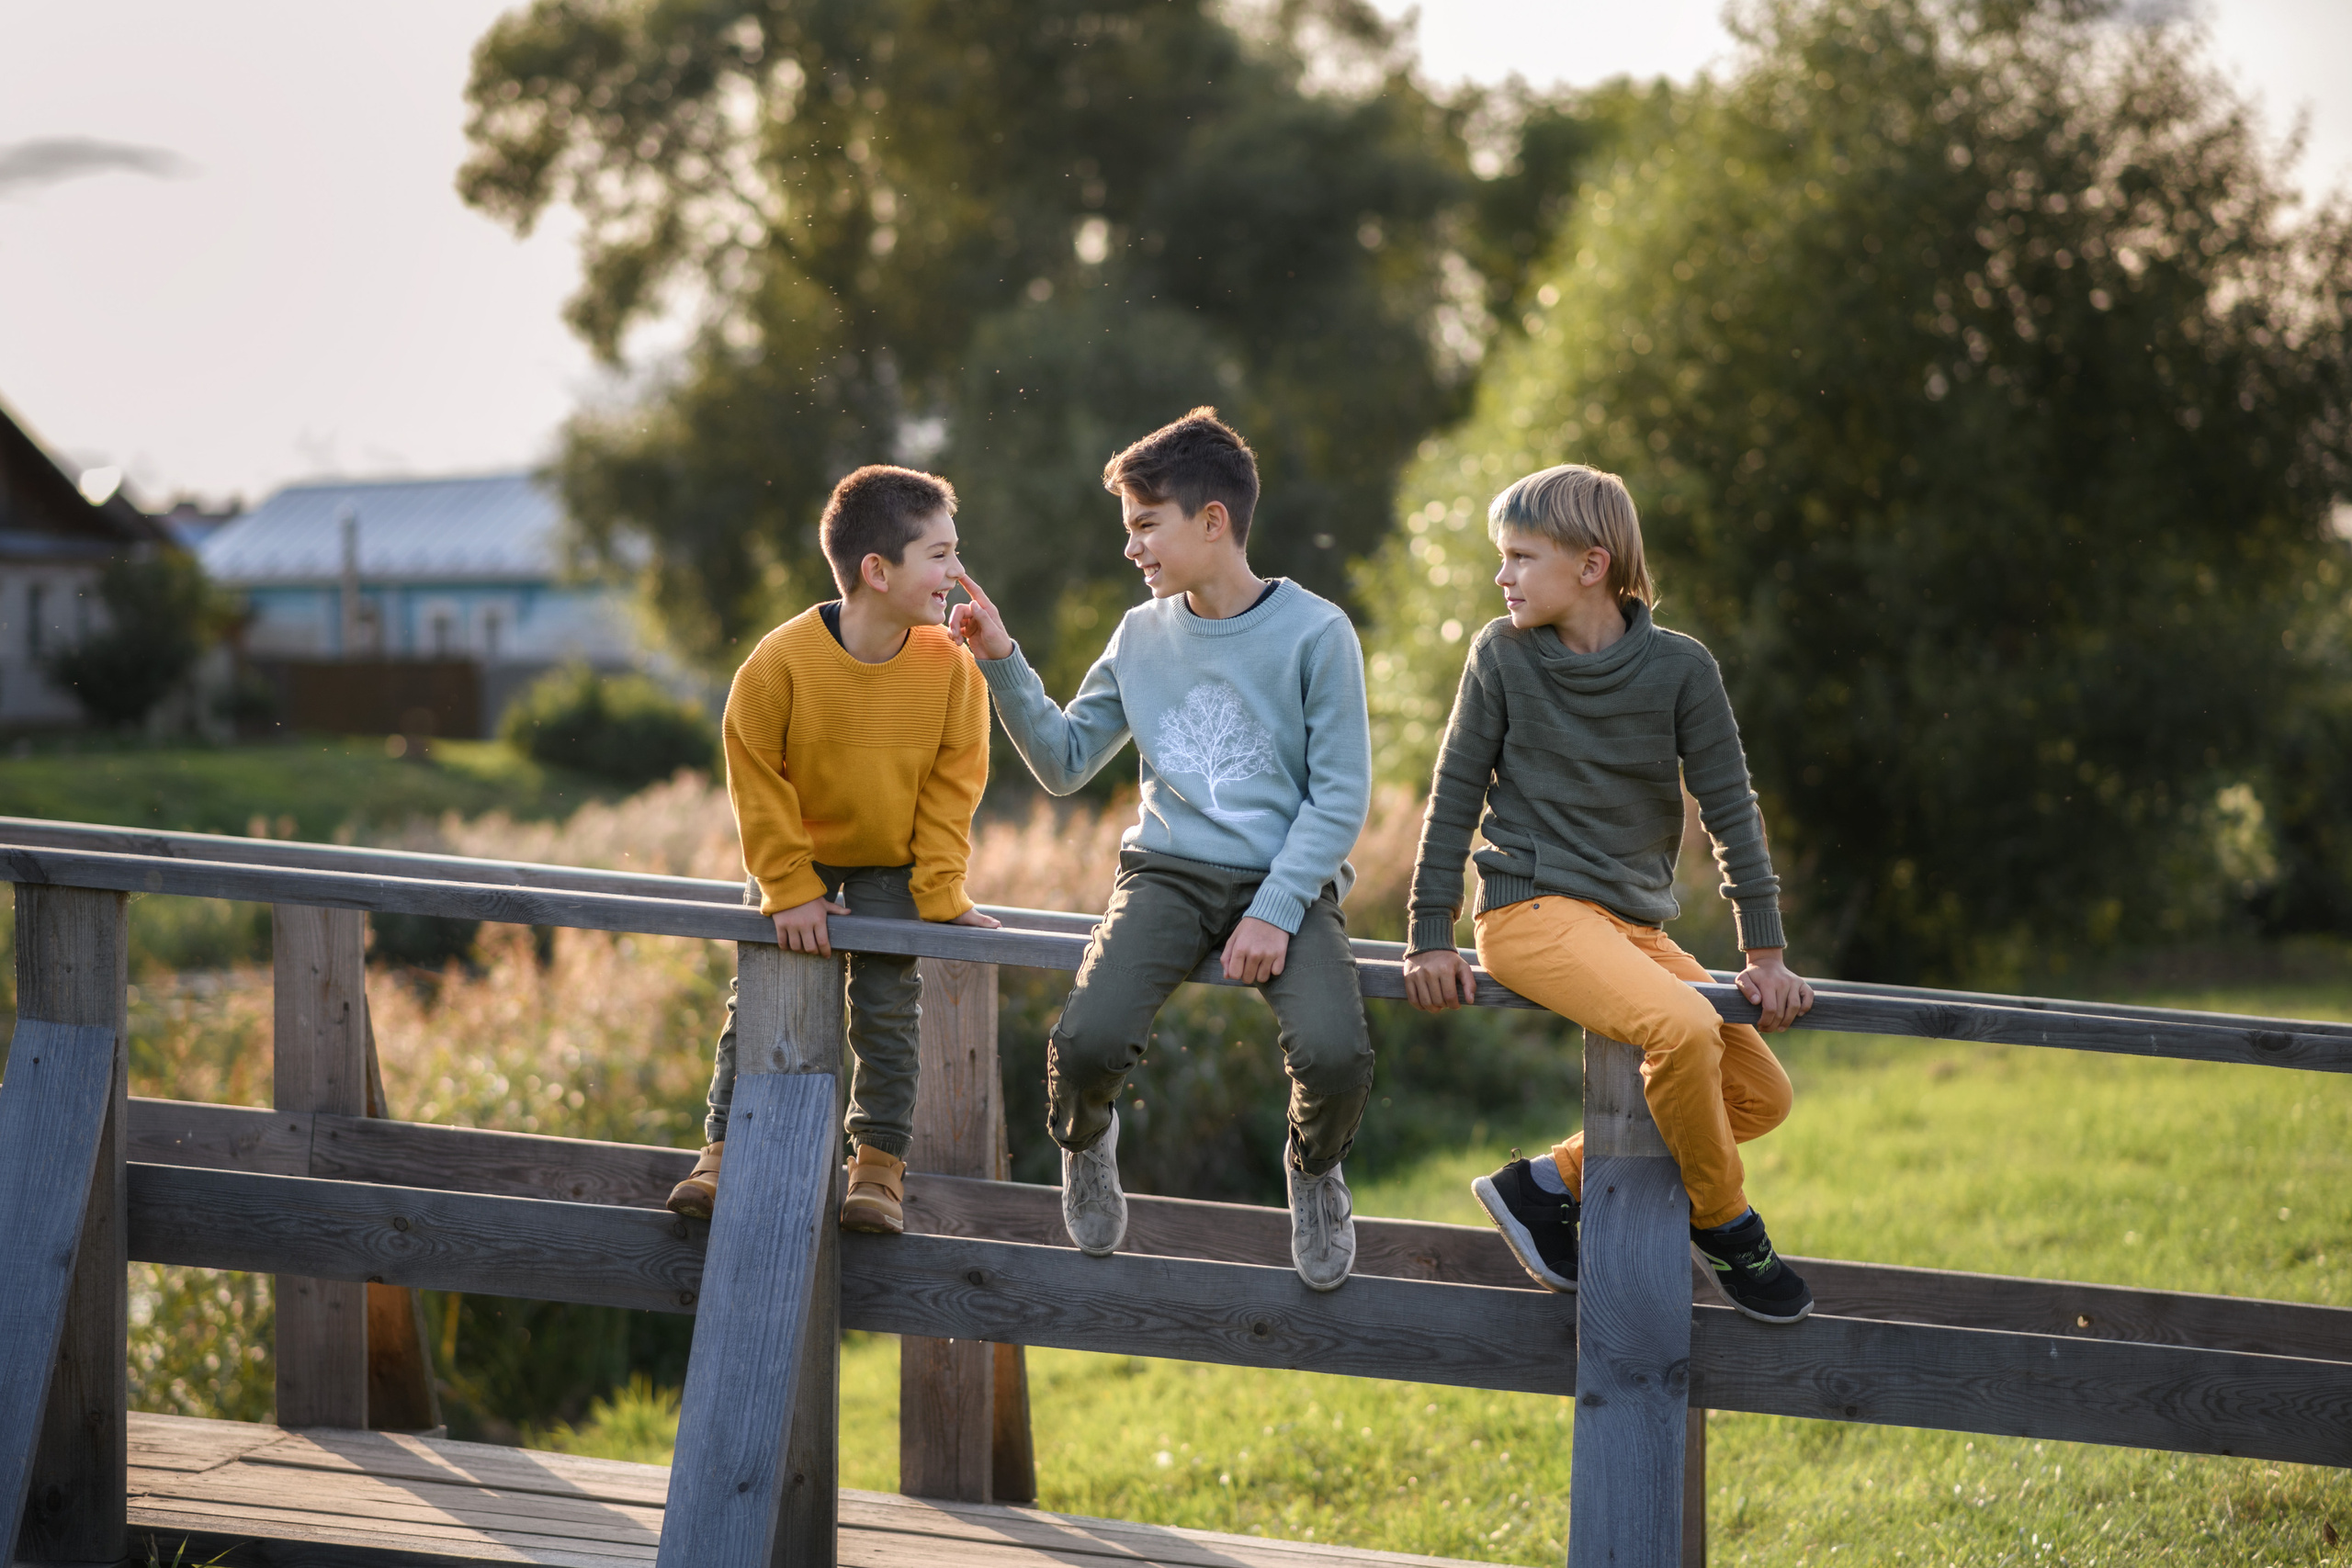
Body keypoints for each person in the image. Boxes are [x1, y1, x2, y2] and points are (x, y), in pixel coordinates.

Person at [948, 408, 1374, 1292]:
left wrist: (1274, 909)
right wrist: (1001, 657)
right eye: (1129, 527)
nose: (1131, 547)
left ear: (1212, 520)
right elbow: (1065, 760)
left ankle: (1314, 1168)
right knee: (1087, 1044)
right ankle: (1086, 1140)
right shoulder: (1140, 634)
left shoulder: (1317, 632)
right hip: (1167, 873)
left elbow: (1339, 798)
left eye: (1146, 525)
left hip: (1288, 879)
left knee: (1337, 1058)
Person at [1400, 463, 1817, 1324]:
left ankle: (1548, 1181)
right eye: (1502, 556)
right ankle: (1726, 1224)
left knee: (1761, 1094)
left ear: (1592, 565)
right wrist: (1429, 932)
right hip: (1528, 910)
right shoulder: (1502, 656)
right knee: (1683, 1027)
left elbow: (1731, 810)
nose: (1501, 575)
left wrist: (1766, 954)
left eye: (1521, 556)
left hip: (1633, 926)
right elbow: (1453, 797)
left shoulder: (1681, 669)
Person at [667, 464, 1000, 1233]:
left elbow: (953, 789)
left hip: (892, 860)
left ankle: (877, 1168)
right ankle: (722, 1153)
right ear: (877, 571)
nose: (957, 572)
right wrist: (789, 886)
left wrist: (941, 892)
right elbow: (755, 775)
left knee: (888, 1005)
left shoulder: (952, 667)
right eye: (940, 555)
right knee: (764, 995)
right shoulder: (780, 662)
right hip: (802, 855)